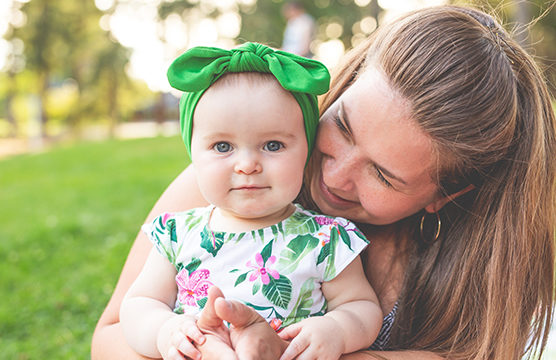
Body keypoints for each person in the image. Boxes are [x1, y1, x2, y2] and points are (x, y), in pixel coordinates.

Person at [92, 5, 556, 360]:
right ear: (347, 81)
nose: (333, 176)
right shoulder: (224, 193)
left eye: (383, 175)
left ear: (444, 197)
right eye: (344, 127)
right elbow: (110, 337)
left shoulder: (466, 264)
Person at [118, 42, 383, 360]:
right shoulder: (177, 234)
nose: (247, 164)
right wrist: (165, 332)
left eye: (272, 145)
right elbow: (139, 305)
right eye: (222, 146)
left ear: (306, 151)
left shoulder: (325, 239)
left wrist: (337, 330)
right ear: (193, 154)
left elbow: (361, 306)